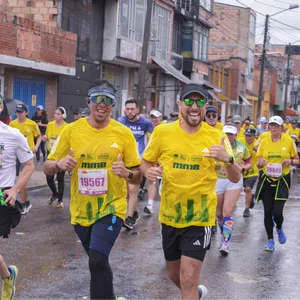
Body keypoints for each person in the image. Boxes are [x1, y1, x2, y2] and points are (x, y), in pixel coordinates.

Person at [141, 83, 240, 299]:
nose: (194, 107)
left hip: (200, 218)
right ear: (179, 104)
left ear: (205, 107)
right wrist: (149, 172)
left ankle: (191, 291)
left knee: (188, 279)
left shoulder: (216, 137)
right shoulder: (162, 132)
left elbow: (235, 177)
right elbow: (145, 162)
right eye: (188, 101)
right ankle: (195, 294)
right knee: (174, 274)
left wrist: (228, 160)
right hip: (169, 217)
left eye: (200, 102)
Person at [43, 82, 141, 299]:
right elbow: (47, 166)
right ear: (88, 101)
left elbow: (138, 175)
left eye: (107, 100)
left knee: (97, 258)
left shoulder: (123, 133)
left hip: (112, 207)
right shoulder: (71, 130)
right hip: (81, 211)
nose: (102, 104)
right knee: (98, 261)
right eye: (97, 98)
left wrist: (127, 173)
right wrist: (59, 164)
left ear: (113, 105)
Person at [0, 99, 34, 300]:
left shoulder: (13, 135)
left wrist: (15, 189)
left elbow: (29, 165)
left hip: (2, 199)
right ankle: (7, 275)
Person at [256, 115, 299, 252]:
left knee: (277, 212)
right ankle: (270, 240)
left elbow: (297, 160)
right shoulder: (263, 140)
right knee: (267, 212)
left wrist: (290, 162)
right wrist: (260, 163)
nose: (273, 128)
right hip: (267, 179)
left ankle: (279, 228)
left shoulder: (288, 141)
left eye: (276, 126)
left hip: (282, 180)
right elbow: (258, 162)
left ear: (282, 128)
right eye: (271, 125)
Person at [118, 99, 154, 230]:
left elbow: (154, 136)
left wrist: (150, 155)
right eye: (127, 109)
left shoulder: (145, 123)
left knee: (133, 189)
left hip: (137, 160)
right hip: (123, 160)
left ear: (137, 110)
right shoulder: (121, 122)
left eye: (132, 109)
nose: (130, 111)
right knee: (126, 192)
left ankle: (129, 218)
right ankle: (133, 213)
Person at [215, 124, 251, 255]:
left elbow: (249, 161)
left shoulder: (242, 147)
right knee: (218, 213)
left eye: (231, 134)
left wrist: (243, 168)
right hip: (218, 180)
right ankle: (222, 233)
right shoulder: (217, 146)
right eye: (226, 134)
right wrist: (217, 163)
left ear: (236, 135)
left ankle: (225, 242)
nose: (228, 136)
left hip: (234, 181)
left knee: (227, 212)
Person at [9, 103, 41, 214]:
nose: (19, 114)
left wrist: (36, 146)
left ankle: (23, 203)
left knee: (22, 181)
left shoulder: (32, 124)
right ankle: (24, 202)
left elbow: (39, 136)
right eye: (17, 112)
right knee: (13, 180)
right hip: (15, 155)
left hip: (27, 156)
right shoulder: (12, 124)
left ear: (26, 113)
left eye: (21, 112)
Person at [43, 107, 68, 208]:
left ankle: (60, 200)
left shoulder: (67, 127)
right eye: (55, 114)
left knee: (60, 178)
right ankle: (55, 193)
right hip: (51, 155)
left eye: (58, 114)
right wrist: (45, 137)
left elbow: (69, 140)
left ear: (63, 115)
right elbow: (47, 135)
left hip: (61, 156)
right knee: (49, 177)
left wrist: (61, 139)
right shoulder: (50, 124)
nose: (56, 116)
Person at [144, 109, 163, 215]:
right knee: (152, 180)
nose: (154, 119)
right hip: (153, 160)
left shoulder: (164, 128)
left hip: (164, 161)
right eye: (152, 117)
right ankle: (150, 205)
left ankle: (166, 205)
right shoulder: (149, 130)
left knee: (163, 185)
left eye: (156, 117)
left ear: (160, 118)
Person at [242, 127, 258, 217]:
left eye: (250, 136)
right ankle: (250, 198)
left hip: (253, 171)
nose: (248, 138)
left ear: (254, 136)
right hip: (242, 171)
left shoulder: (257, 144)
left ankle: (246, 209)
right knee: (246, 190)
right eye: (246, 135)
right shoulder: (240, 142)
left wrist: (258, 151)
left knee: (248, 188)